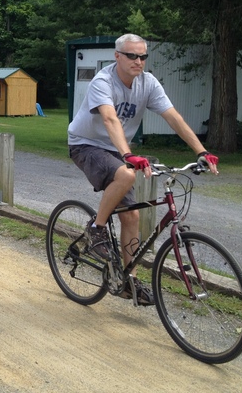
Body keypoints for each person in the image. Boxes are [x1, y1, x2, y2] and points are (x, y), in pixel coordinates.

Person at [67, 33, 219, 305]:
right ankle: (96, 228)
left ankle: (130, 282)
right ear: (117, 56)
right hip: (86, 144)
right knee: (126, 173)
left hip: (117, 148)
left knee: (133, 217)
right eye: (132, 56)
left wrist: (201, 151)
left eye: (143, 56)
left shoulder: (148, 83)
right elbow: (110, 118)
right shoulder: (103, 81)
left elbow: (173, 117)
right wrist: (128, 154)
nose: (138, 61)